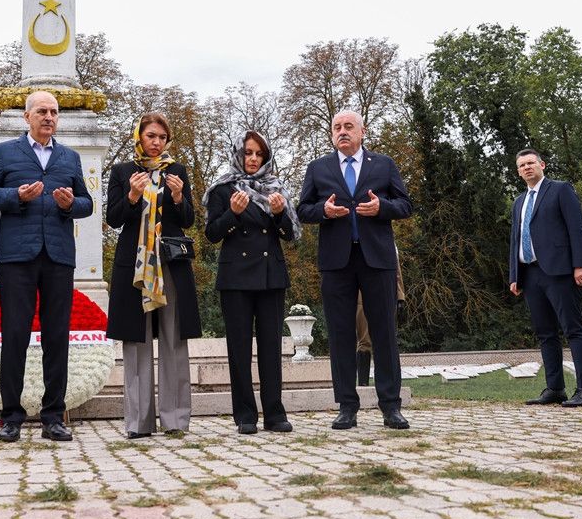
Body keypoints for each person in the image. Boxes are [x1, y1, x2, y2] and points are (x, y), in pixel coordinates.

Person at [0, 91, 92, 443]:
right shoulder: (5, 152)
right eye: (42, 111)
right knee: (15, 334)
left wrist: (71, 204)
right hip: (16, 257)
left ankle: (53, 415)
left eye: (54, 112)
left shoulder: (69, 157)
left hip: (57, 256)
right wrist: (16, 197)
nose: (49, 117)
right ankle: (11, 416)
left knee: (57, 336)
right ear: (26, 117)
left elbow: (87, 203)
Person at [297, 110, 412, 431]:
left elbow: (405, 204)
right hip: (337, 263)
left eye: (349, 127)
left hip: (378, 261)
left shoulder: (384, 165)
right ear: (332, 134)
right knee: (340, 335)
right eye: (337, 128)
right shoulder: (318, 168)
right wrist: (324, 210)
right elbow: (302, 209)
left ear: (362, 132)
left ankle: (391, 406)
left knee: (384, 334)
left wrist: (381, 208)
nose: (342, 132)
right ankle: (347, 406)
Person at [106, 113, 200, 439]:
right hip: (134, 265)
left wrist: (177, 196)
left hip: (171, 264)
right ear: (139, 137)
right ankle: (138, 422)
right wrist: (131, 196)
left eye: (162, 136)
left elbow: (188, 219)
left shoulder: (177, 172)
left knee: (175, 339)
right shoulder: (122, 172)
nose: (156, 141)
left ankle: (174, 419)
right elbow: (114, 218)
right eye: (151, 135)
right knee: (136, 341)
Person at [205, 129, 299, 435]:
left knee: (271, 348)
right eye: (248, 153)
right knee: (239, 348)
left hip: (271, 275)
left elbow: (290, 235)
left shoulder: (276, 189)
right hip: (235, 277)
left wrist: (280, 213)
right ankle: (245, 415)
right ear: (238, 154)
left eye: (259, 154)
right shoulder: (222, 189)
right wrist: (232, 213)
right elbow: (212, 234)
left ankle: (275, 413)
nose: (253, 158)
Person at [508, 149, 582, 408]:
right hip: (531, 274)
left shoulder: (560, 190)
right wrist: (515, 274)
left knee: (573, 329)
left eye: (531, 163)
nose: (526, 168)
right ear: (518, 171)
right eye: (522, 165)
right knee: (545, 333)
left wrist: (580, 265)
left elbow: (576, 228)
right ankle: (555, 388)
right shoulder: (519, 202)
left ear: (542, 165)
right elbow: (515, 239)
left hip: (559, 271)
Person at [354, 255, 405, 386]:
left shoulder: (387, 241)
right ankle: (363, 383)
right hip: (360, 297)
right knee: (364, 340)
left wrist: (400, 297)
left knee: (385, 339)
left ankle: (386, 384)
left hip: (384, 293)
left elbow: (396, 271)